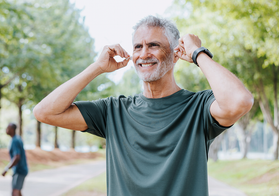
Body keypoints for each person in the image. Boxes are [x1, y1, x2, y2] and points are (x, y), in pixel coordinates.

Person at [33, 15, 254, 196]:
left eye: (153, 45)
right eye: (137, 46)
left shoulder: (199, 108)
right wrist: (97, 67)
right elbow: (44, 112)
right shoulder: (113, 111)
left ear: (176, 53)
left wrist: (198, 53)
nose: (143, 54)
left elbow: (239, 101)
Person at [2, 123, 28, 196]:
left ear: (12, 130)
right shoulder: (17, 138)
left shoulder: (15, 140)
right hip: (20, 170)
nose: (6, 130)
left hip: (19, 170)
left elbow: (17, 157)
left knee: (15, 192)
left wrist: (6, 169)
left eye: (8, 128)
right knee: (17, 191)